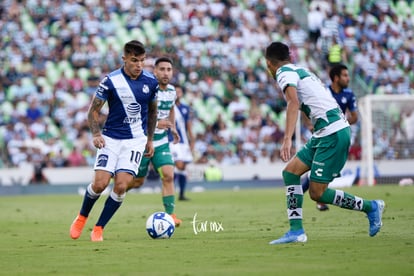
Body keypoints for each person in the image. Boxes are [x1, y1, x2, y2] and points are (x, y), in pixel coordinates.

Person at [264, 42, 384, 244]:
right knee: (290, 173)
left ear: (269, 63)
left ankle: (371, 206)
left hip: (333, 133)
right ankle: (296, 231)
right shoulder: (300, 70)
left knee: (317, 193)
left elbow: (293, 102)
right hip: (325, 132)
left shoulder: (283, 72)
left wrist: (287, 139)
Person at [69, 40, 158, 242]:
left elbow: (153, 112)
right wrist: (96, 134)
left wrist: (150, 140)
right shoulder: (110, 81)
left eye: (142, 61)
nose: (139, 65)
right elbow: (93, 111)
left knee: (121, 186)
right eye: (134, 60)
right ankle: (82, 217)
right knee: (100, 184)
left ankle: (99, 228)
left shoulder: (151, 82)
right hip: (110, 138)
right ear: (124, 59)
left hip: (135, 141)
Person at [127, 57, 182, 226]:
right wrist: (158, 123)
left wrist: (172, 128)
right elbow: (137, 116)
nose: (166, 73)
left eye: (169, 69)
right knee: (137, 182)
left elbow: (171, 108)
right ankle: (119, 188)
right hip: (143, 141)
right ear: (155, 71)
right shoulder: (147, 89)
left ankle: (171, 215)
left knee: (168, 175)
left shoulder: (172, 91)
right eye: (162, 69)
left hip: (161, 141)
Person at [302, 63, 359, 211]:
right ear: (335, 77)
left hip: (339, 136)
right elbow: (305, 107)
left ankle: (307, 194)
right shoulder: (324, 92)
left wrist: (340, 124)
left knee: (323, 168)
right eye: (345, 75)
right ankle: (308, 195)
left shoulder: (349, 94)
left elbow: (354, 117)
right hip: (322, 135)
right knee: (317, 166)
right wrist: (309, 123)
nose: (348, 78)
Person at [169, 85, 194, 201]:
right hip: (172, 140)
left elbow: (188, 126)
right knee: (178, 164)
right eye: (175, 91)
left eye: (179, 91)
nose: (178, 93)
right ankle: (170, 192)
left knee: (182, 167)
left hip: (184, 141)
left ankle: (181, 194)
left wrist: (192, 140)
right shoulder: (168, 106)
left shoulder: (185, 108)